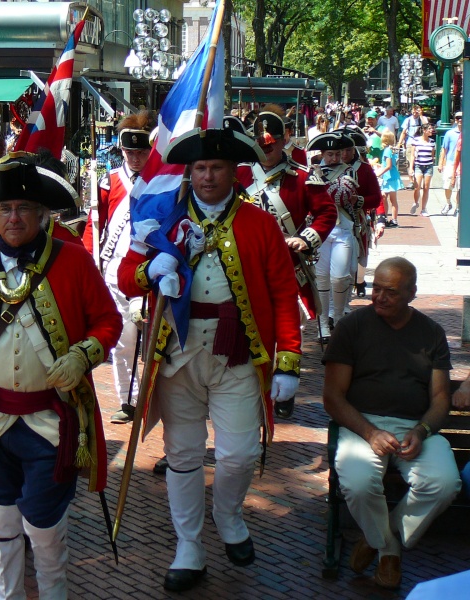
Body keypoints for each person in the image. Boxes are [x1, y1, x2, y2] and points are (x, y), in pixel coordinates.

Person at [0, 151, 121, 599]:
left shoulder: (73, 262)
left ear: (42, 214)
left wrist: (82, 355)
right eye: (5, 209)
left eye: (23, 208)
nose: (14, 217)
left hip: (51, 422)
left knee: (43, 522)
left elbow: (109, 322)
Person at [118, 127, 302, 593]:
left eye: (216, 167)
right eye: (199, 168)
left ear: (233, 172)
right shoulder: (163, 216)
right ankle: (189, 547)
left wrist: (288, 362)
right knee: (181, 455)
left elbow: (283, 294)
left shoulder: (260, 223)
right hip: (177, 353)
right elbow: (125, 279)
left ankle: (229, 515)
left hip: (238, 354)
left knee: (238, 456)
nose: (207, 176)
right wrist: (150, 270)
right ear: (189, 172)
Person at [322, 257, 461, 589]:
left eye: (390, 292)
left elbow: (441, 398)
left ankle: (380, 539)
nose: (379, 297)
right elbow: (333, 397)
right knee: (357, 482)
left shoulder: (431, 332)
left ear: (412, 293)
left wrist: (422, 430)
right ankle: (389, 552)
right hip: (362, 425)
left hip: (415, 427)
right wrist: (369, 432)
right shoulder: (352, 327)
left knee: (443, 484)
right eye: (376, 289)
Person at [237, 110, 336, 418]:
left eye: (272, 142)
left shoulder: (304, 177)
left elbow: (326, 214)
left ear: (284, 141)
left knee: (289, 326)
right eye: (260, 143)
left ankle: (286, 379)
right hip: (246, 265)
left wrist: (305, 239)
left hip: (289, 265)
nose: (266, 148)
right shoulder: (237, 175)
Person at [82, 110, 157, 424]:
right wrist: (88, 263)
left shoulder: (161, 181)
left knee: (157, 344)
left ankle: (158, 401)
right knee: (123, 342)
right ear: (121, 150)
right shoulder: (109, 180)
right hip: (114, 272)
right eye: (130, 151)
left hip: (152, 272)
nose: (136, 157)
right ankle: (129, 400)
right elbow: (94, 225)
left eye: (142, 151)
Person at [308, 131, 362, 341]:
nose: (334, 158)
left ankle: (338, 319)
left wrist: (321, 182)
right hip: (321, 231)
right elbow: (314, 200)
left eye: (337, 154)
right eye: (330, 154)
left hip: (342, 229)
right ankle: (322, 325)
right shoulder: (313, 172)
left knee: (339, 278)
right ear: (323, 154)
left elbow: (342, 196)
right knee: (321, 278)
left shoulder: (349, 170)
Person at [338, 127, 383, 299]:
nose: (343, 154)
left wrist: (360, 200)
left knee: (357, 258)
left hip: (357, 220)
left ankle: (356, 285)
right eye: (340, 150)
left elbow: (376, 197)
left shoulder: (363, 169)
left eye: (348, 150)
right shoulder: (325, 167)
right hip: (332, 221)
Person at [374, 129, 403, 228]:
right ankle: (384, 217)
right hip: (389, 177)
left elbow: (389, 166)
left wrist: (378, 173)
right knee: (384, 197)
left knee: (391, 199)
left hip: (390, 178)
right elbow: (386, 164)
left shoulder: (387, 151)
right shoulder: (390, 150)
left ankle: (393, 220)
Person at [398, 104, 428, 190]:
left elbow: (426, 126)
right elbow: (403, 132)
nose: (415, 112)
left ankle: (418, 180)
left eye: (417, 110)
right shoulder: (408, 120)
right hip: (410, 143)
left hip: (421, 143)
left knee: (420, 161)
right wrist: (399, 143)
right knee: (409, 162)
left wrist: (421, 115)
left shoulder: (423, 119)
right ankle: (411, 181)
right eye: (414, 110)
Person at [437, 112, 462, 215]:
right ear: (455, 120)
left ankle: (458, 207)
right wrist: (440, 163)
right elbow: (444, 149)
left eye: (462, 118)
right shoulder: (450, 133)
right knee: (447, 185)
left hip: (462, 164)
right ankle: (448, 203)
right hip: (450, 162)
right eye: (458, 118)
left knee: (460, 187)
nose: (460, 120)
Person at [409, 122, 436, 217]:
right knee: (417, 187)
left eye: (431, 129)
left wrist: (431, 162)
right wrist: (411, 168)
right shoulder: (416, 140)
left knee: (426, 188)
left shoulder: (432, 142)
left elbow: (432, 155)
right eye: (429, 129)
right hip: (418, 166)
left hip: (428, 166)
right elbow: (412, 155)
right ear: (424, 130)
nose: (431, 130)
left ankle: (424, 209)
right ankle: (416, 202)